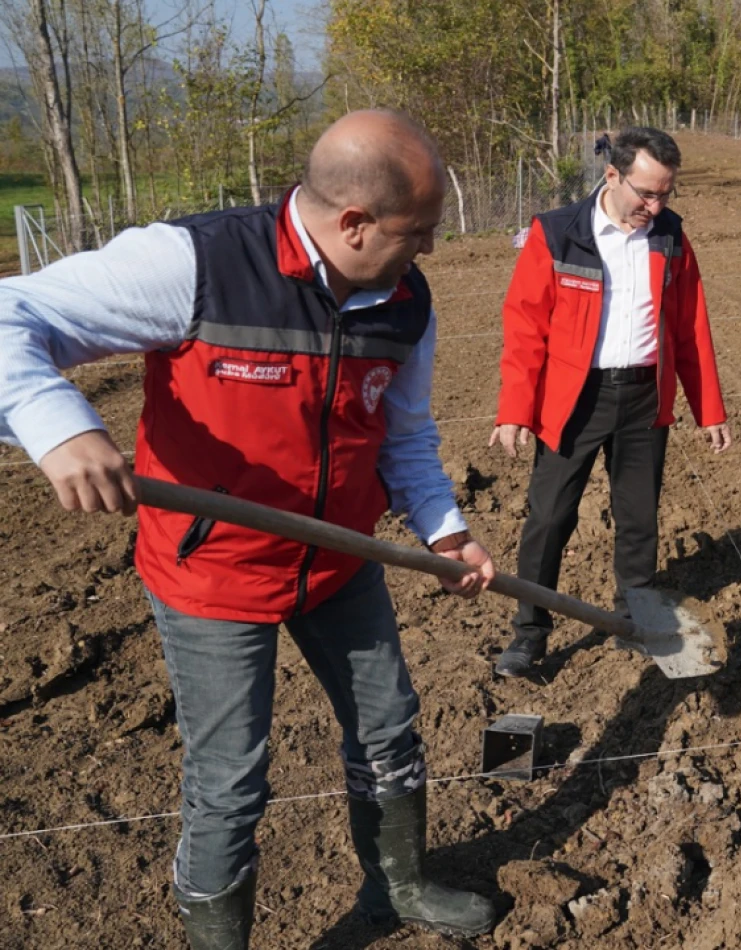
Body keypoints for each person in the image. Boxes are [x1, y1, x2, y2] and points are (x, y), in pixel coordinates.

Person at [0, 110, 499, 947]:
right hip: (212, 575)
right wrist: (60, 426)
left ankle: (399, 888)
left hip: (343, 561)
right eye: (419, 232)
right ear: (353, 223)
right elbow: (10, 313)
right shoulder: (195, 264)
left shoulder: (405, 302)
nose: (432, 250)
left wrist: (445, 532)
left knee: (389, 728)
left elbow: (403, 435)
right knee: (230, 779)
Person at [490, 127, 731, 678]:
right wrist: (514, 408)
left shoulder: (670, 237)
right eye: (646, 193)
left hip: (645, 396)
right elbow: (524, 325)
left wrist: (709, 408)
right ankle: (530, 633)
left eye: (666, 194)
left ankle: (636, 618)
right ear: (612, 175)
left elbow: (692, 327)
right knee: (550, 519)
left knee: (639, 519)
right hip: (574, 399)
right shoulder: (558, 234)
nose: (656, 205)